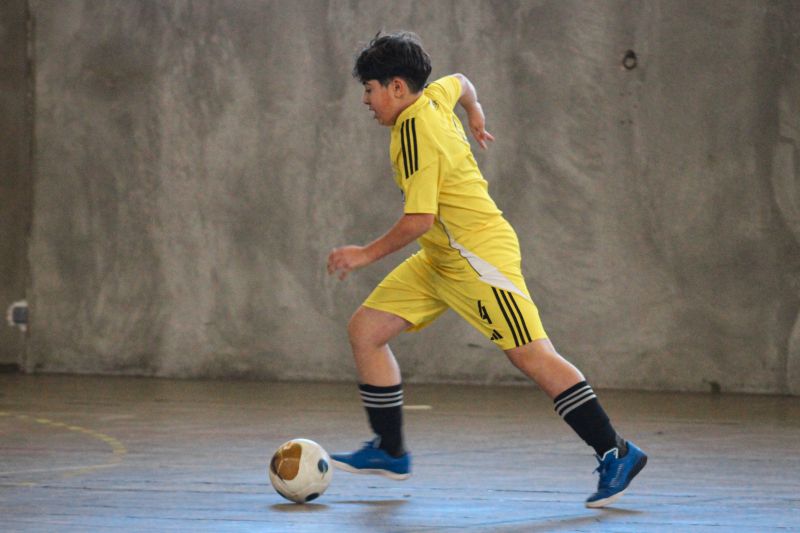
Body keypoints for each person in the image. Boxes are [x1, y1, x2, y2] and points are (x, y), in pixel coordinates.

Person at [326, 31, 646, 508]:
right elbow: (461, 81)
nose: (365, 100)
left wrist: (363, 254)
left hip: (477, 257)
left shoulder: (414, 131)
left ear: (396, 87)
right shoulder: (432, 95)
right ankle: (390, 450)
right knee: (366, 330)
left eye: (369, 89)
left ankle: (616, 451)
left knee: (533, 355)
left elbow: (419, 220)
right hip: (441, 258)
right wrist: (475, 112)